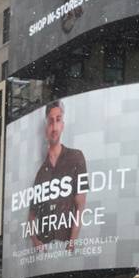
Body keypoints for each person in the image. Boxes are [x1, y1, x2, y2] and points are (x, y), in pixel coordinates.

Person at [26, 98, 88, 254]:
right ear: (46, 129)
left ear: (63, 125)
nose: (54, 127)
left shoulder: (76, 157)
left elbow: (80, 206)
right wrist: (36, 241)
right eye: (50, 122)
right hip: (45, 249)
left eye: (58, 120)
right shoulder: (41, 173)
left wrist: (72, 244)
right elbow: (31, 215)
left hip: (66, 246)